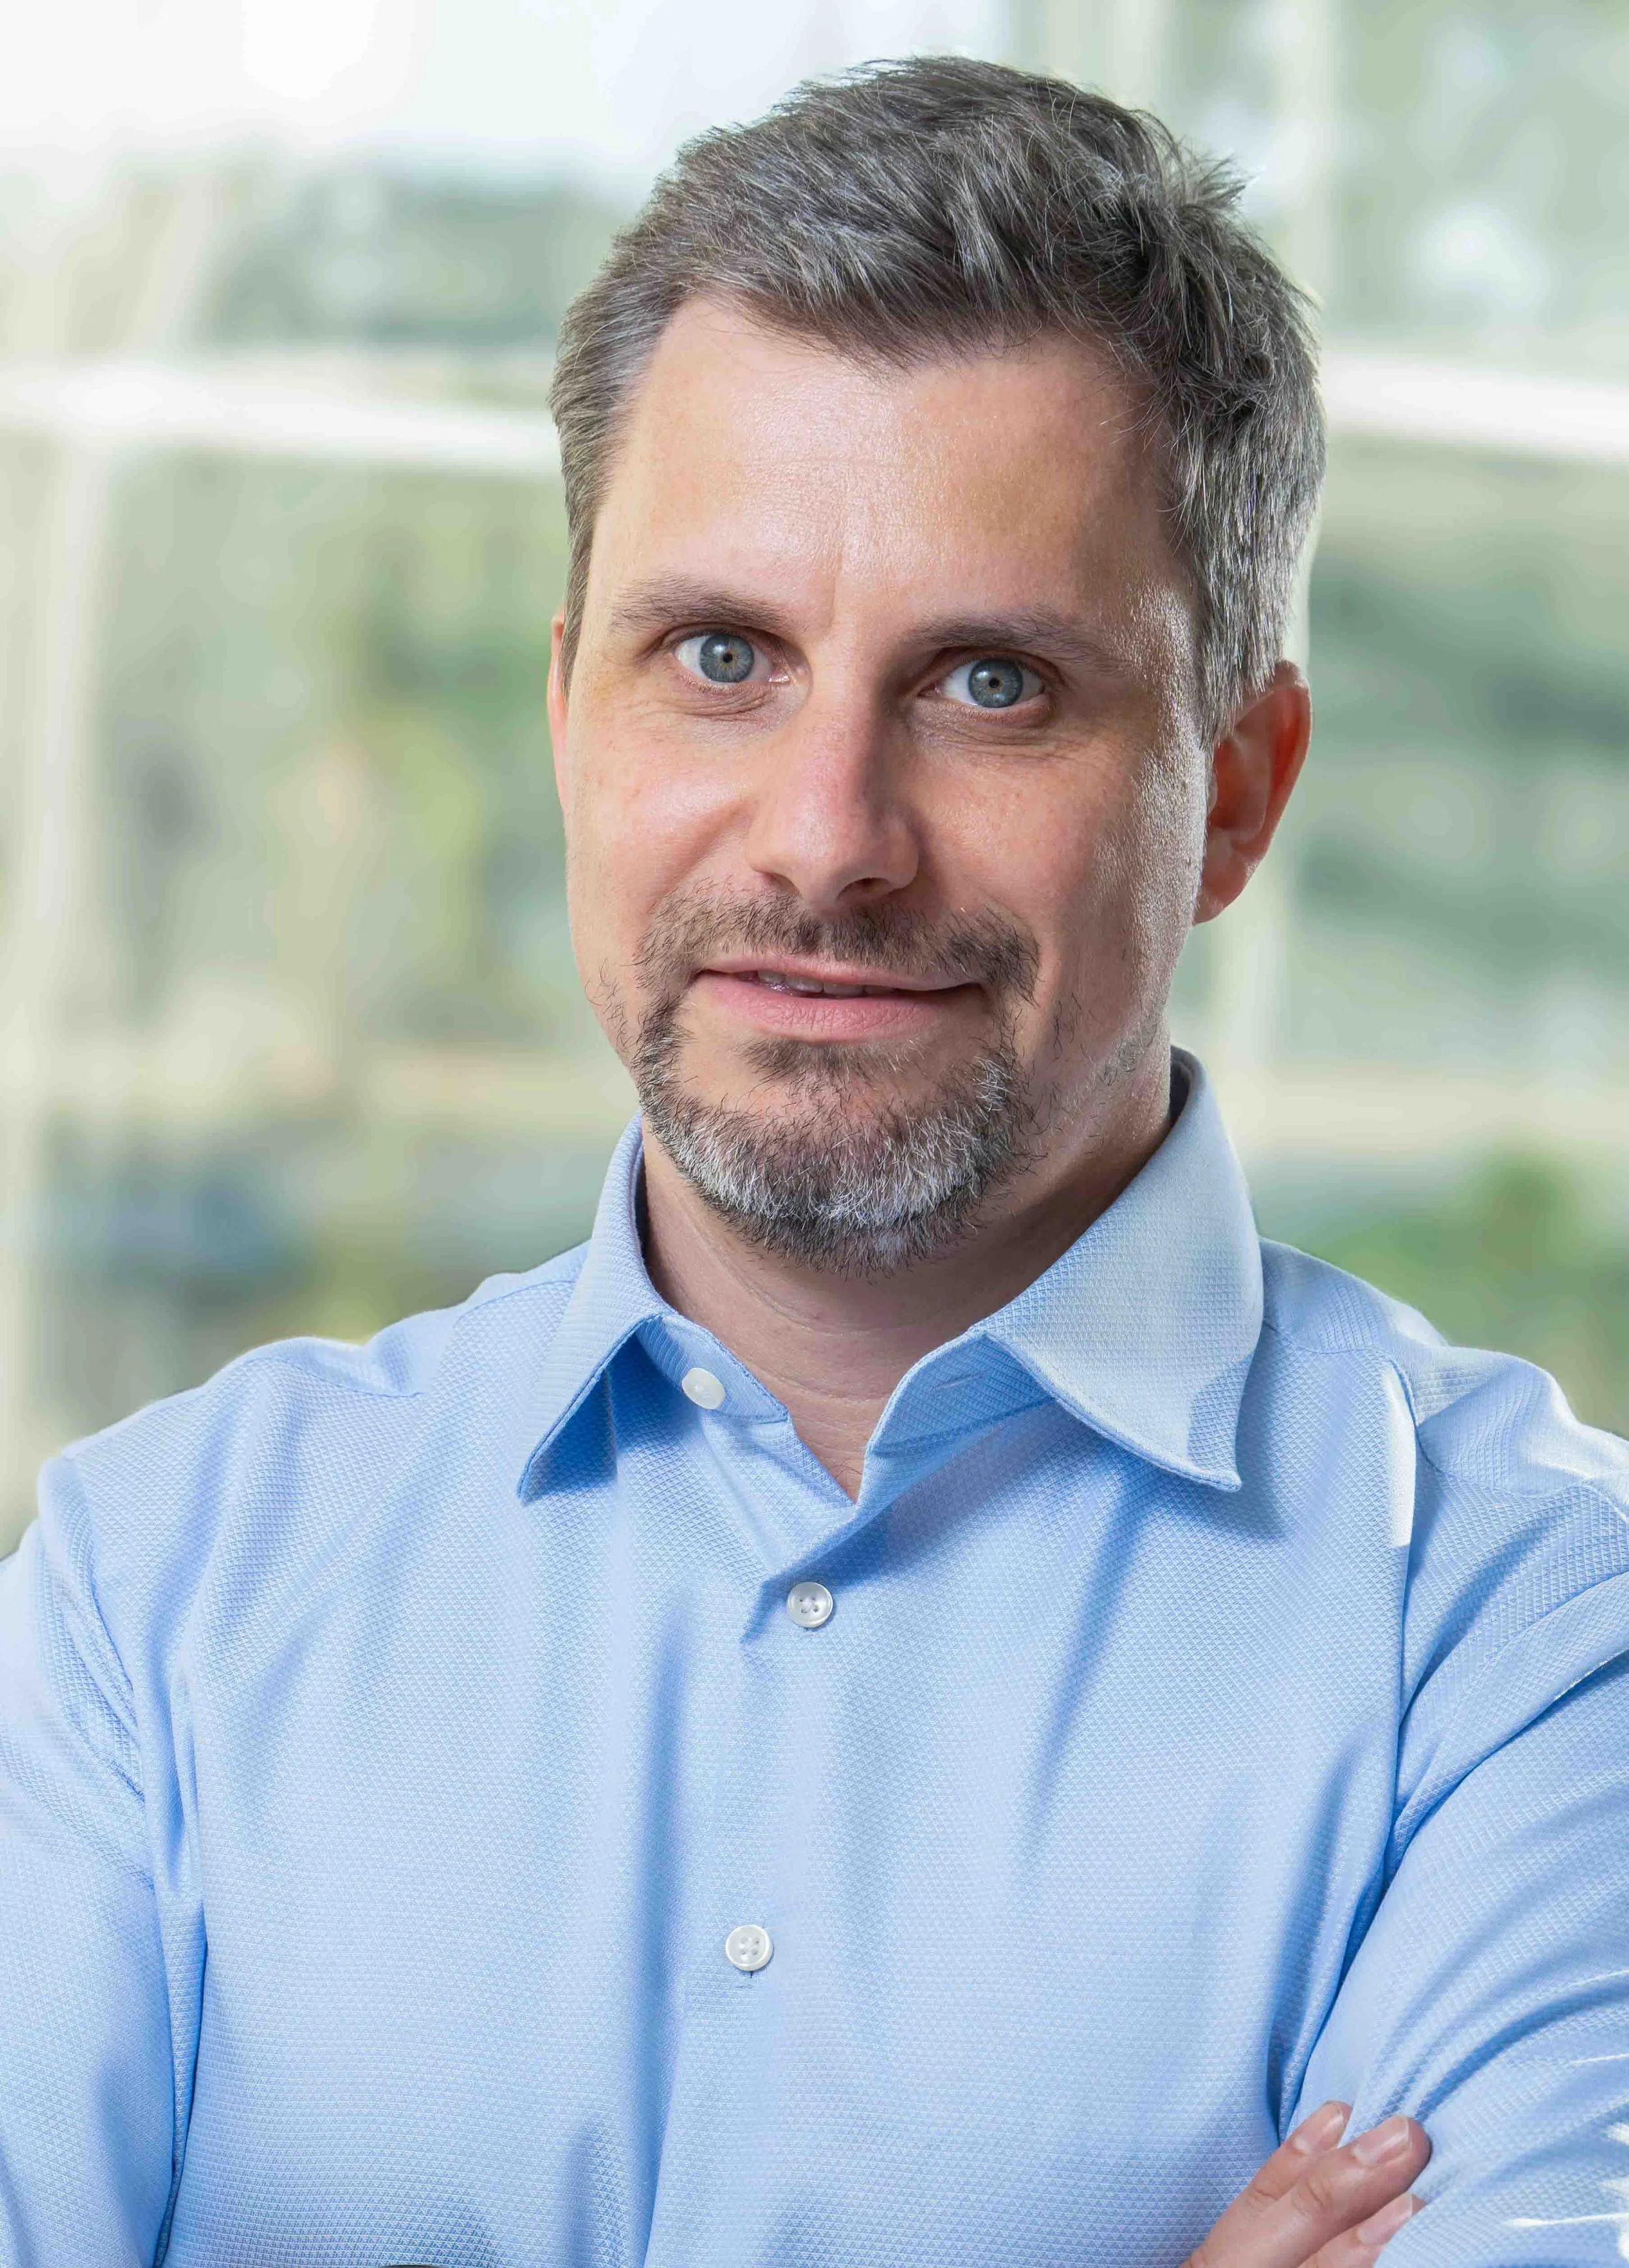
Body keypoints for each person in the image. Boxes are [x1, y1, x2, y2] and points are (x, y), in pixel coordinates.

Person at [1, 55, 1625, 2268]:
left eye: (986, 684)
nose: (826, 842)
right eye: (721, 657)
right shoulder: (149, 1607)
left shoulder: (1533, 1644)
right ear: (570, 708)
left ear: (1237, 788)